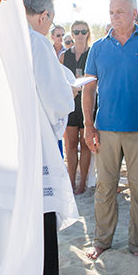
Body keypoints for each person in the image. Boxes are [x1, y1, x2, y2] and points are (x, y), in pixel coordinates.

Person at [83, 0, 138, 260]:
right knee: (104, 189)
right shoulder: (98, 47)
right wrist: (88, 125)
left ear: (134, 14)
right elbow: (88, 89)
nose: (114, 16)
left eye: (120, 11)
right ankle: (102, 241)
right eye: (111, 12)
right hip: (105, 130)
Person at [24, 0, 77, 275]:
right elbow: (55, 98)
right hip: (34, 140)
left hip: (9, 140)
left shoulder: (4, 39)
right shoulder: (37, 42)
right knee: (40, 218)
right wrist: (69, 94)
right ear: (44, 16)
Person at [61, 19, 93, 195]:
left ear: (88, 33)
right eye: (76, 32)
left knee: (85, 144)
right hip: (70, 102)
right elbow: (58, 79)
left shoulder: (92, 53)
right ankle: (71, 181)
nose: (80, 35)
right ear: (72, 34)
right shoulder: (64, 56)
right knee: (70, 144)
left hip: (88, 102)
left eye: (83, 31)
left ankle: (82, 183)